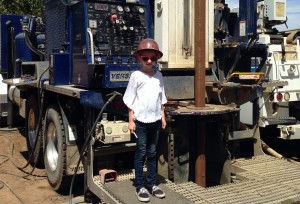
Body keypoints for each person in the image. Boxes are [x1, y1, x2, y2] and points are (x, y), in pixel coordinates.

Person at [123, 38, 167, 202]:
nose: (149, 61)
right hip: (140, 121)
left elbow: (161, 98)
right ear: (139, 58)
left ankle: (152, 184)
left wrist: (162, 116)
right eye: (145, 58)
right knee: (141, 152)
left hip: (155, 120)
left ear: (156, 59)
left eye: (153, 58)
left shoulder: (159, 76)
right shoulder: (136, 76)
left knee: (153, 152)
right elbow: (130, 99)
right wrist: (131, 120)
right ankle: (140, 186)